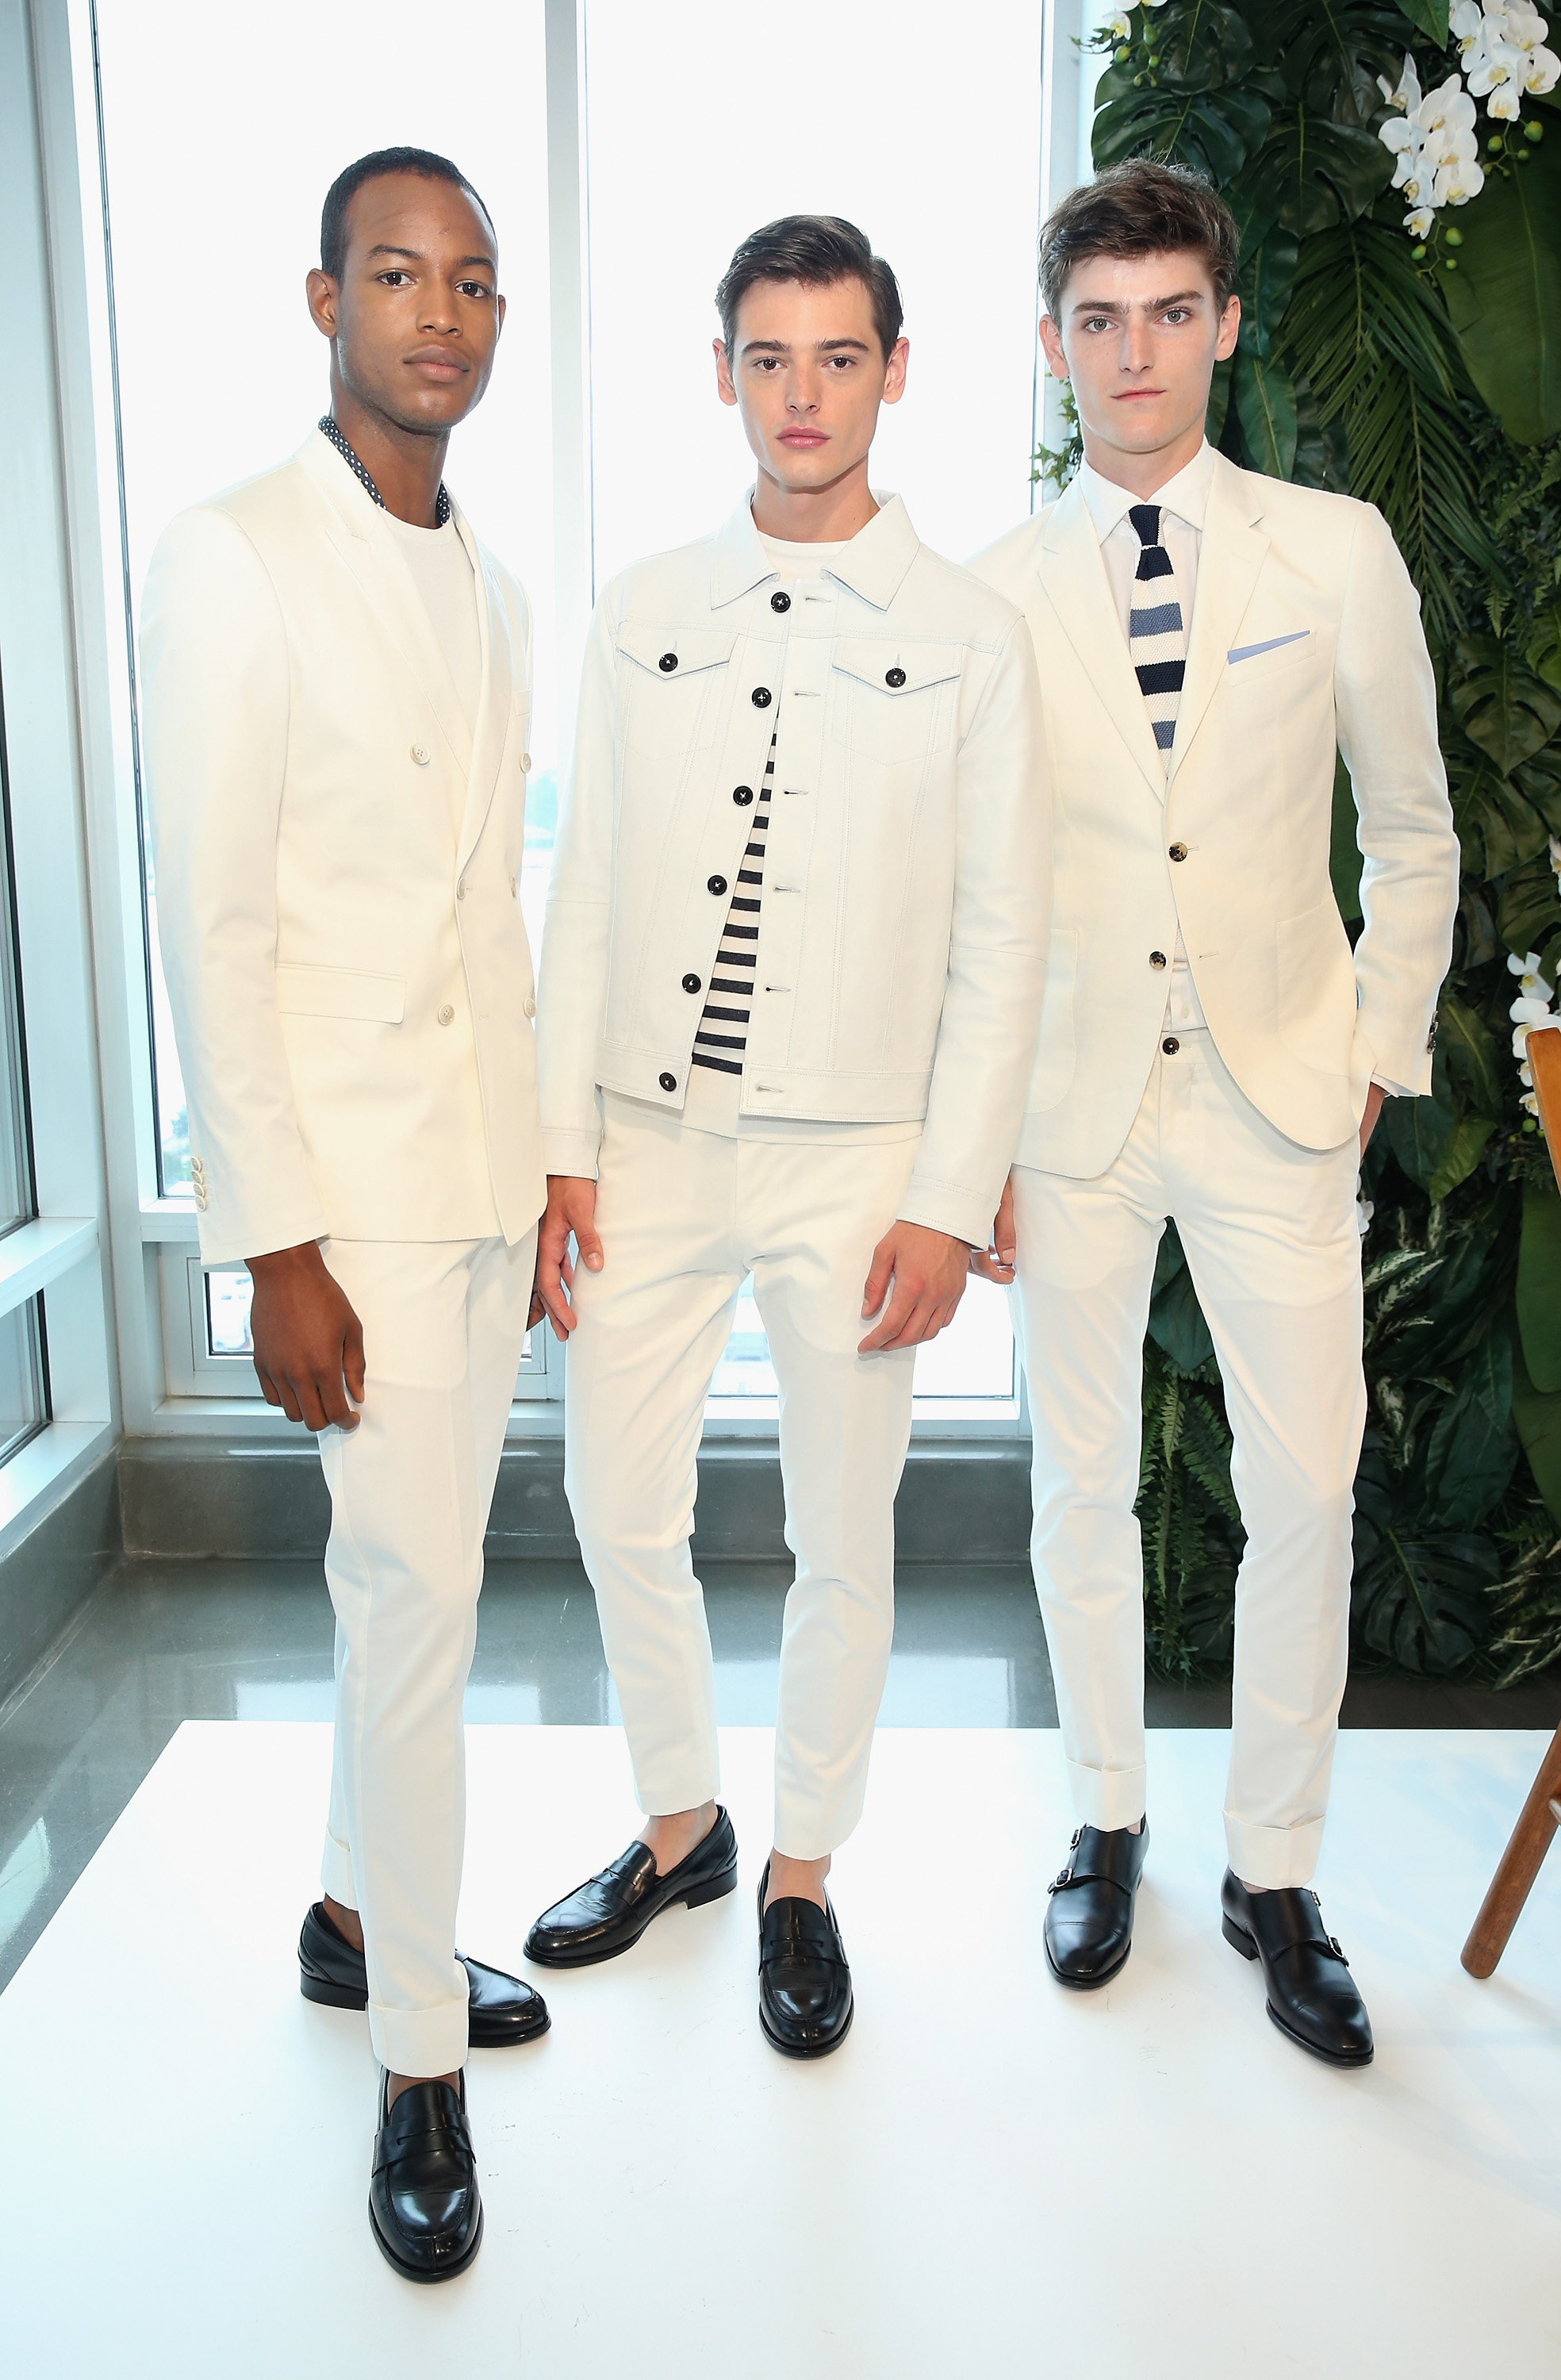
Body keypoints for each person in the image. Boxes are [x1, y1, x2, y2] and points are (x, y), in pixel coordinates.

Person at [528, 216, 1051, 2056]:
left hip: (859, 1161)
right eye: (769, 357)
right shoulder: (644, 608)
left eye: (839, 357)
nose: (803, 393)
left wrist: (941, 1191)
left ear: (894, 370)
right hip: (646, 1140)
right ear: (723, 373)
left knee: (843, 1531)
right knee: (613, 1500)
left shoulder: (970, 635)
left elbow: (1003, 939)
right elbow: (583, 884)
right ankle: (682, 1824)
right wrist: (555, 1146)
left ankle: (802, 1871)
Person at [972, 158, 1459, 2067]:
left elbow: (1411, 834)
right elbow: (968, 888)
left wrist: (1369, 1053)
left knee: (1302, 1490)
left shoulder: (1331, 551)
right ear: (1051, 347)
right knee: (1079, 1486)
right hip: (1070, 1104)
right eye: (1099, 319)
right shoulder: (999, 588)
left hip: (1276, 1097)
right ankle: (1106, 1820)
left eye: (1171, 311)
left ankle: (1275, 1865)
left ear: (1229, 325)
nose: (1136, 352)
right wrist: (969, 1145)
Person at [140, 148, 548, 2281]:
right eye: (399, 275)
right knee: (413, 1615)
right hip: (350, 1211)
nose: (441, 315)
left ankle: (341, 1914)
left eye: (475, 283)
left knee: (417, 1593)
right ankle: (416, 2067)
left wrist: (549, 1164)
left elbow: (503, 902)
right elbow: (208, 925)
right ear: (324, 303)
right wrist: (271, 1239)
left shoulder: (495, 583)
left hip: (476, 1184)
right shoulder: (233, 555)